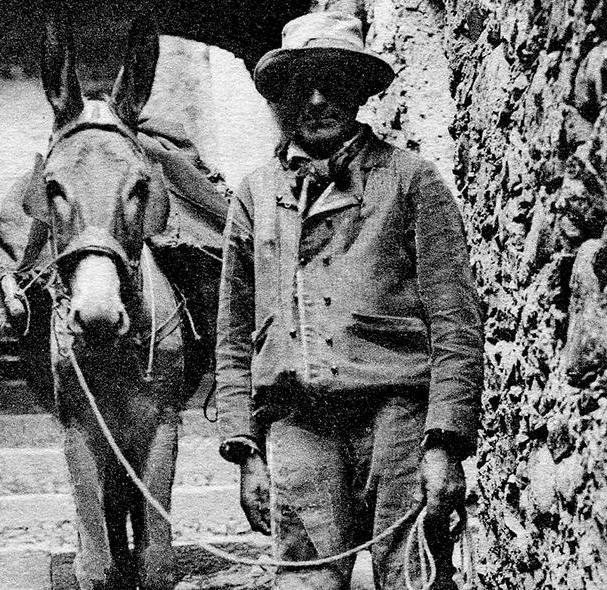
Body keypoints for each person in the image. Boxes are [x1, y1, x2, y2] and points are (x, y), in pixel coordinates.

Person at [215, 11, 484, 590]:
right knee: (302, 582)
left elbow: (456, 326)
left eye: (334, 81)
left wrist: (444, 443)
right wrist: (245, 450)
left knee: (411, 578)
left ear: (360, 91)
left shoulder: (413, 182)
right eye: (301, 83)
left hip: (396, 422)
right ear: (282, 94)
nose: (316, 99)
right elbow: (233, 339)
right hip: (297, 425)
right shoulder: (255, 195)